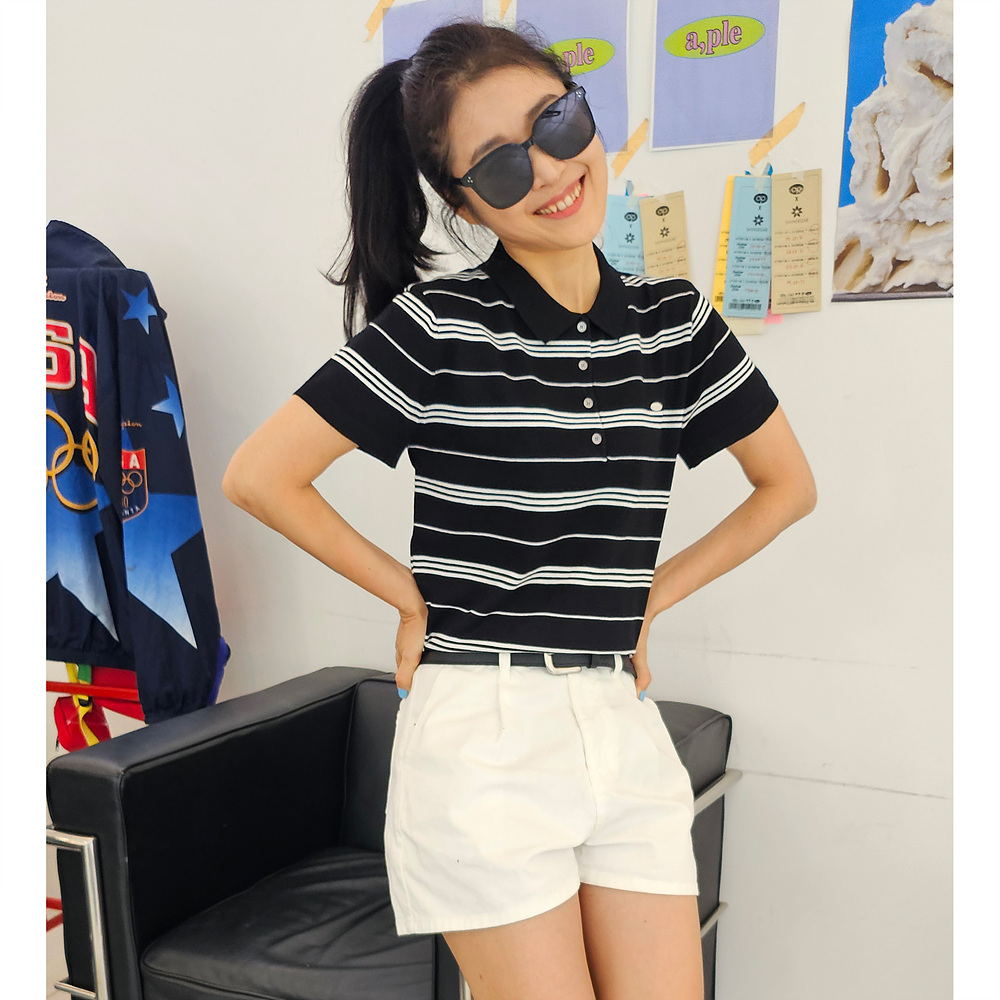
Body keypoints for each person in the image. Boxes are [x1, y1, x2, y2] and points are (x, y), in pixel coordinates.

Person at [223, 18, 816, 1000]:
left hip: (618, 720)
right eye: (499, 166)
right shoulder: (440, 325)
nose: (547, 169)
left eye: (557, 122)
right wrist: (408, 597)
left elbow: (787, 486)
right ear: (465, 203)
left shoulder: (676, 324)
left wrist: (650, 597)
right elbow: (260, 474)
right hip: (480, 733)